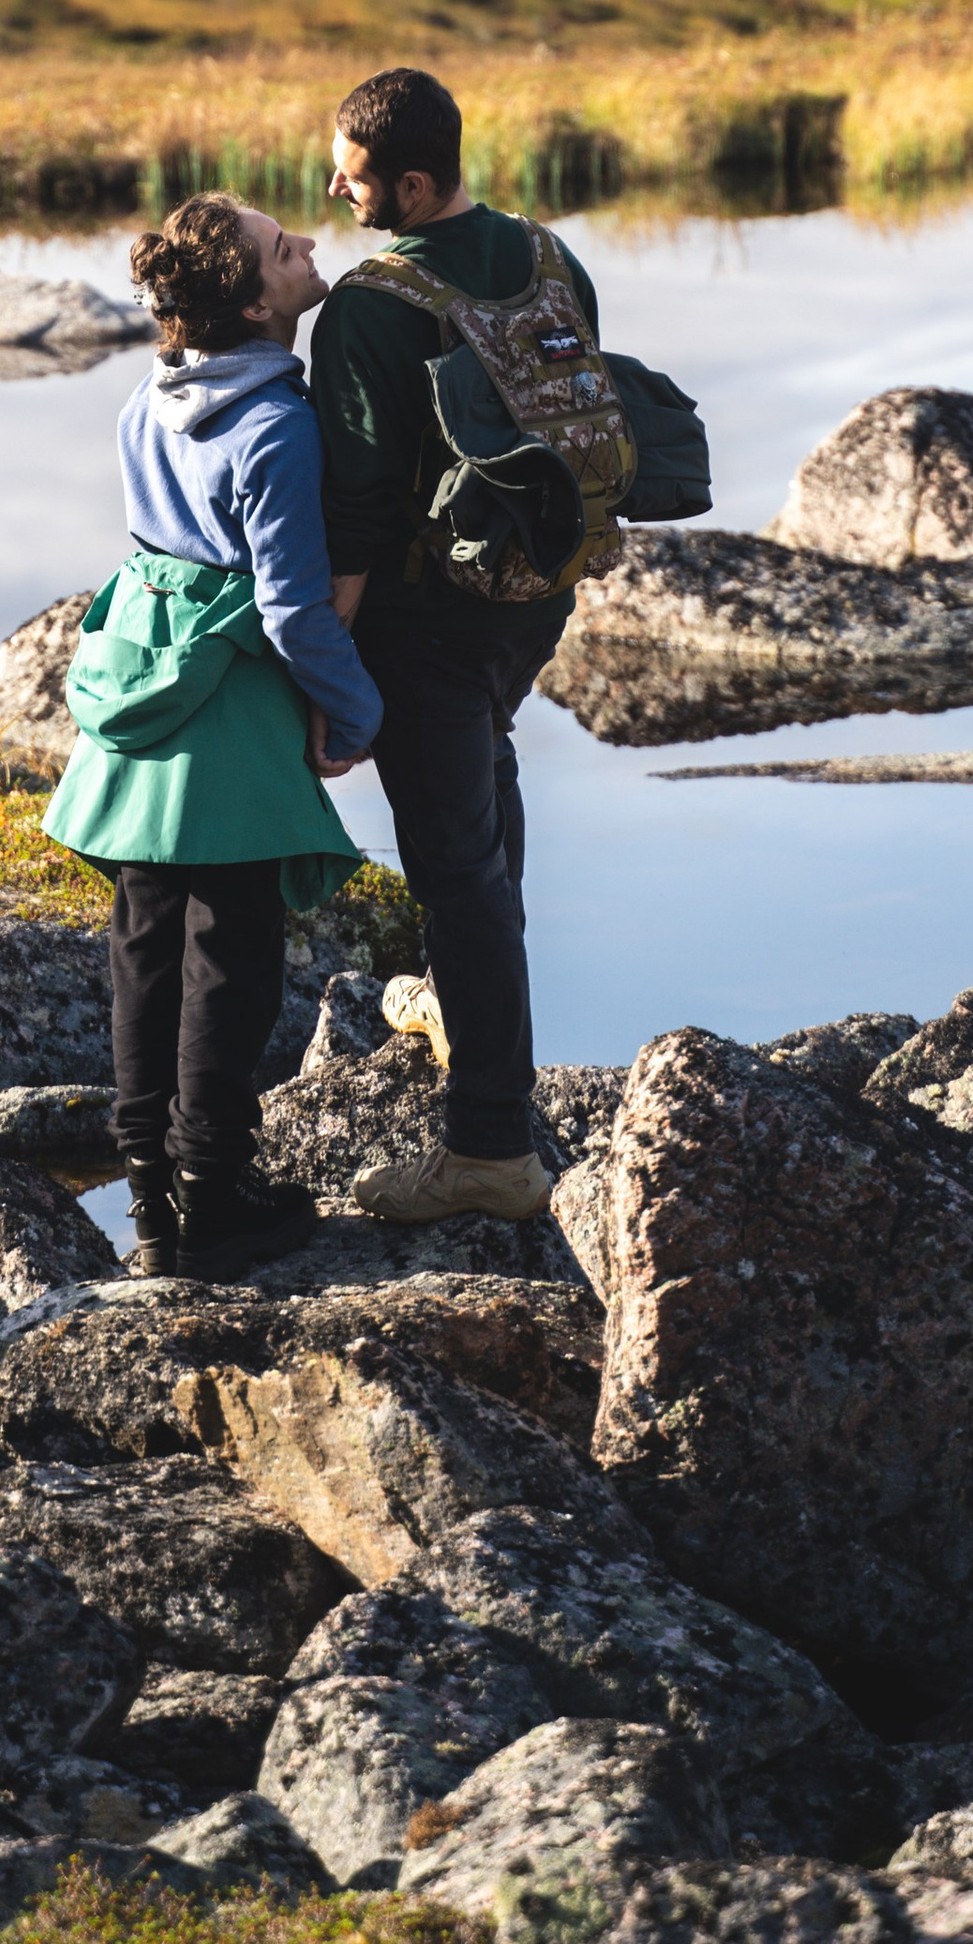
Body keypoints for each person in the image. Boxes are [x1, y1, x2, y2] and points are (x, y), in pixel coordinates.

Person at [46, 191, 383, 1280]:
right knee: (229, 964)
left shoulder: (147, 402)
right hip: (227, 716)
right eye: (287, 249)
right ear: (250, 299)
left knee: (142, 949)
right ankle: (218, 1201)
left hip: (146, 687)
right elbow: (288, 607)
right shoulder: (276, 423)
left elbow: (161, 550)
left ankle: (150, 1203)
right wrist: (354, 711)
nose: (310, 245)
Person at [310, 64, 600, 1225]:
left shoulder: (371, 307)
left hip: (425, 618)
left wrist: (321, 662)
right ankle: (450, 1002)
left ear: (412, 184)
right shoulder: (550, 257)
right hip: (536, 592)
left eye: (352, 173)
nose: (333, 187)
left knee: (451, 867)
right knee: (487, 772)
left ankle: (488, 1148)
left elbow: (358, 512)